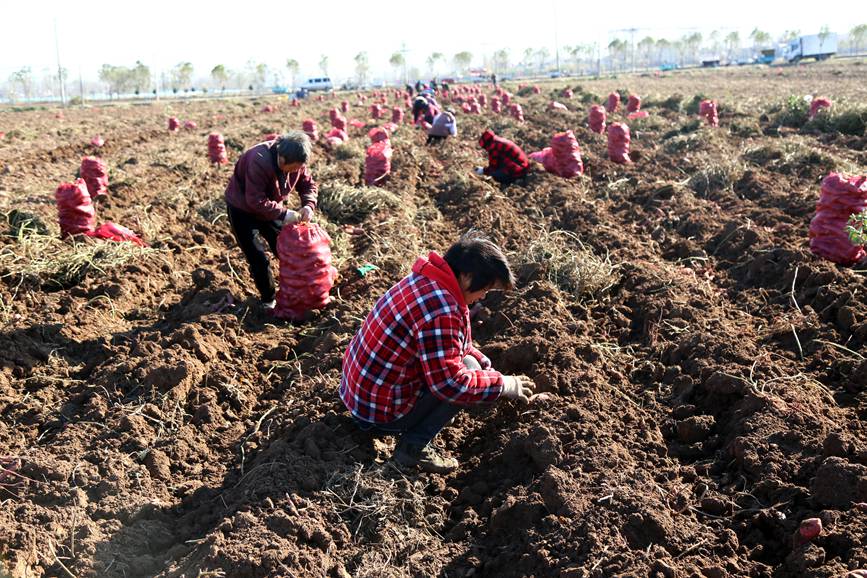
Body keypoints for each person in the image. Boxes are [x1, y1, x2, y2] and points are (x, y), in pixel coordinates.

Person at [339, 232, 536, 473]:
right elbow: (450, 384)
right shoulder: (441, 309)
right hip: (377, 414)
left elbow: (457, 346)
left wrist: (490, 372)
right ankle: (413, 447)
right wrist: (502, 385)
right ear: (467, 277)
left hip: (361, 395)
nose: (483, 296)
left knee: (472, 367)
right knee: (466, 375)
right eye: (484, 288)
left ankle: (423, 420)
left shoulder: (428, 281)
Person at [224, 131, 317, 310]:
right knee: (257, 256)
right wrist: (284, 214)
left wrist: (308, 205)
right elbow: (255, 200)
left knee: (284, 249)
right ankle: (268, 299)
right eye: (293, 168)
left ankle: (299, 291)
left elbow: (308, 185)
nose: (296, 172)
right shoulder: (258, 160)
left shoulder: (297, 160)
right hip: (242, 210)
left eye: (299, 168)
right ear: (282, 160)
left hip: (269, 208)